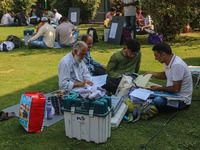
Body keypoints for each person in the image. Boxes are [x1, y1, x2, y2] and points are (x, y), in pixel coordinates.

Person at [144, 42, 193, 110]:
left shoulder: (177, 65)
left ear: (163, 54)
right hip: (170, 95)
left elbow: (176, 89)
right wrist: (152, 74)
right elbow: (166, 75)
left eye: (156, 55)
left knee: (158, 101)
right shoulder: (169, 60)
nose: (155, 58)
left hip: (181, 100)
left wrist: (159, 88)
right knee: (146, 93)